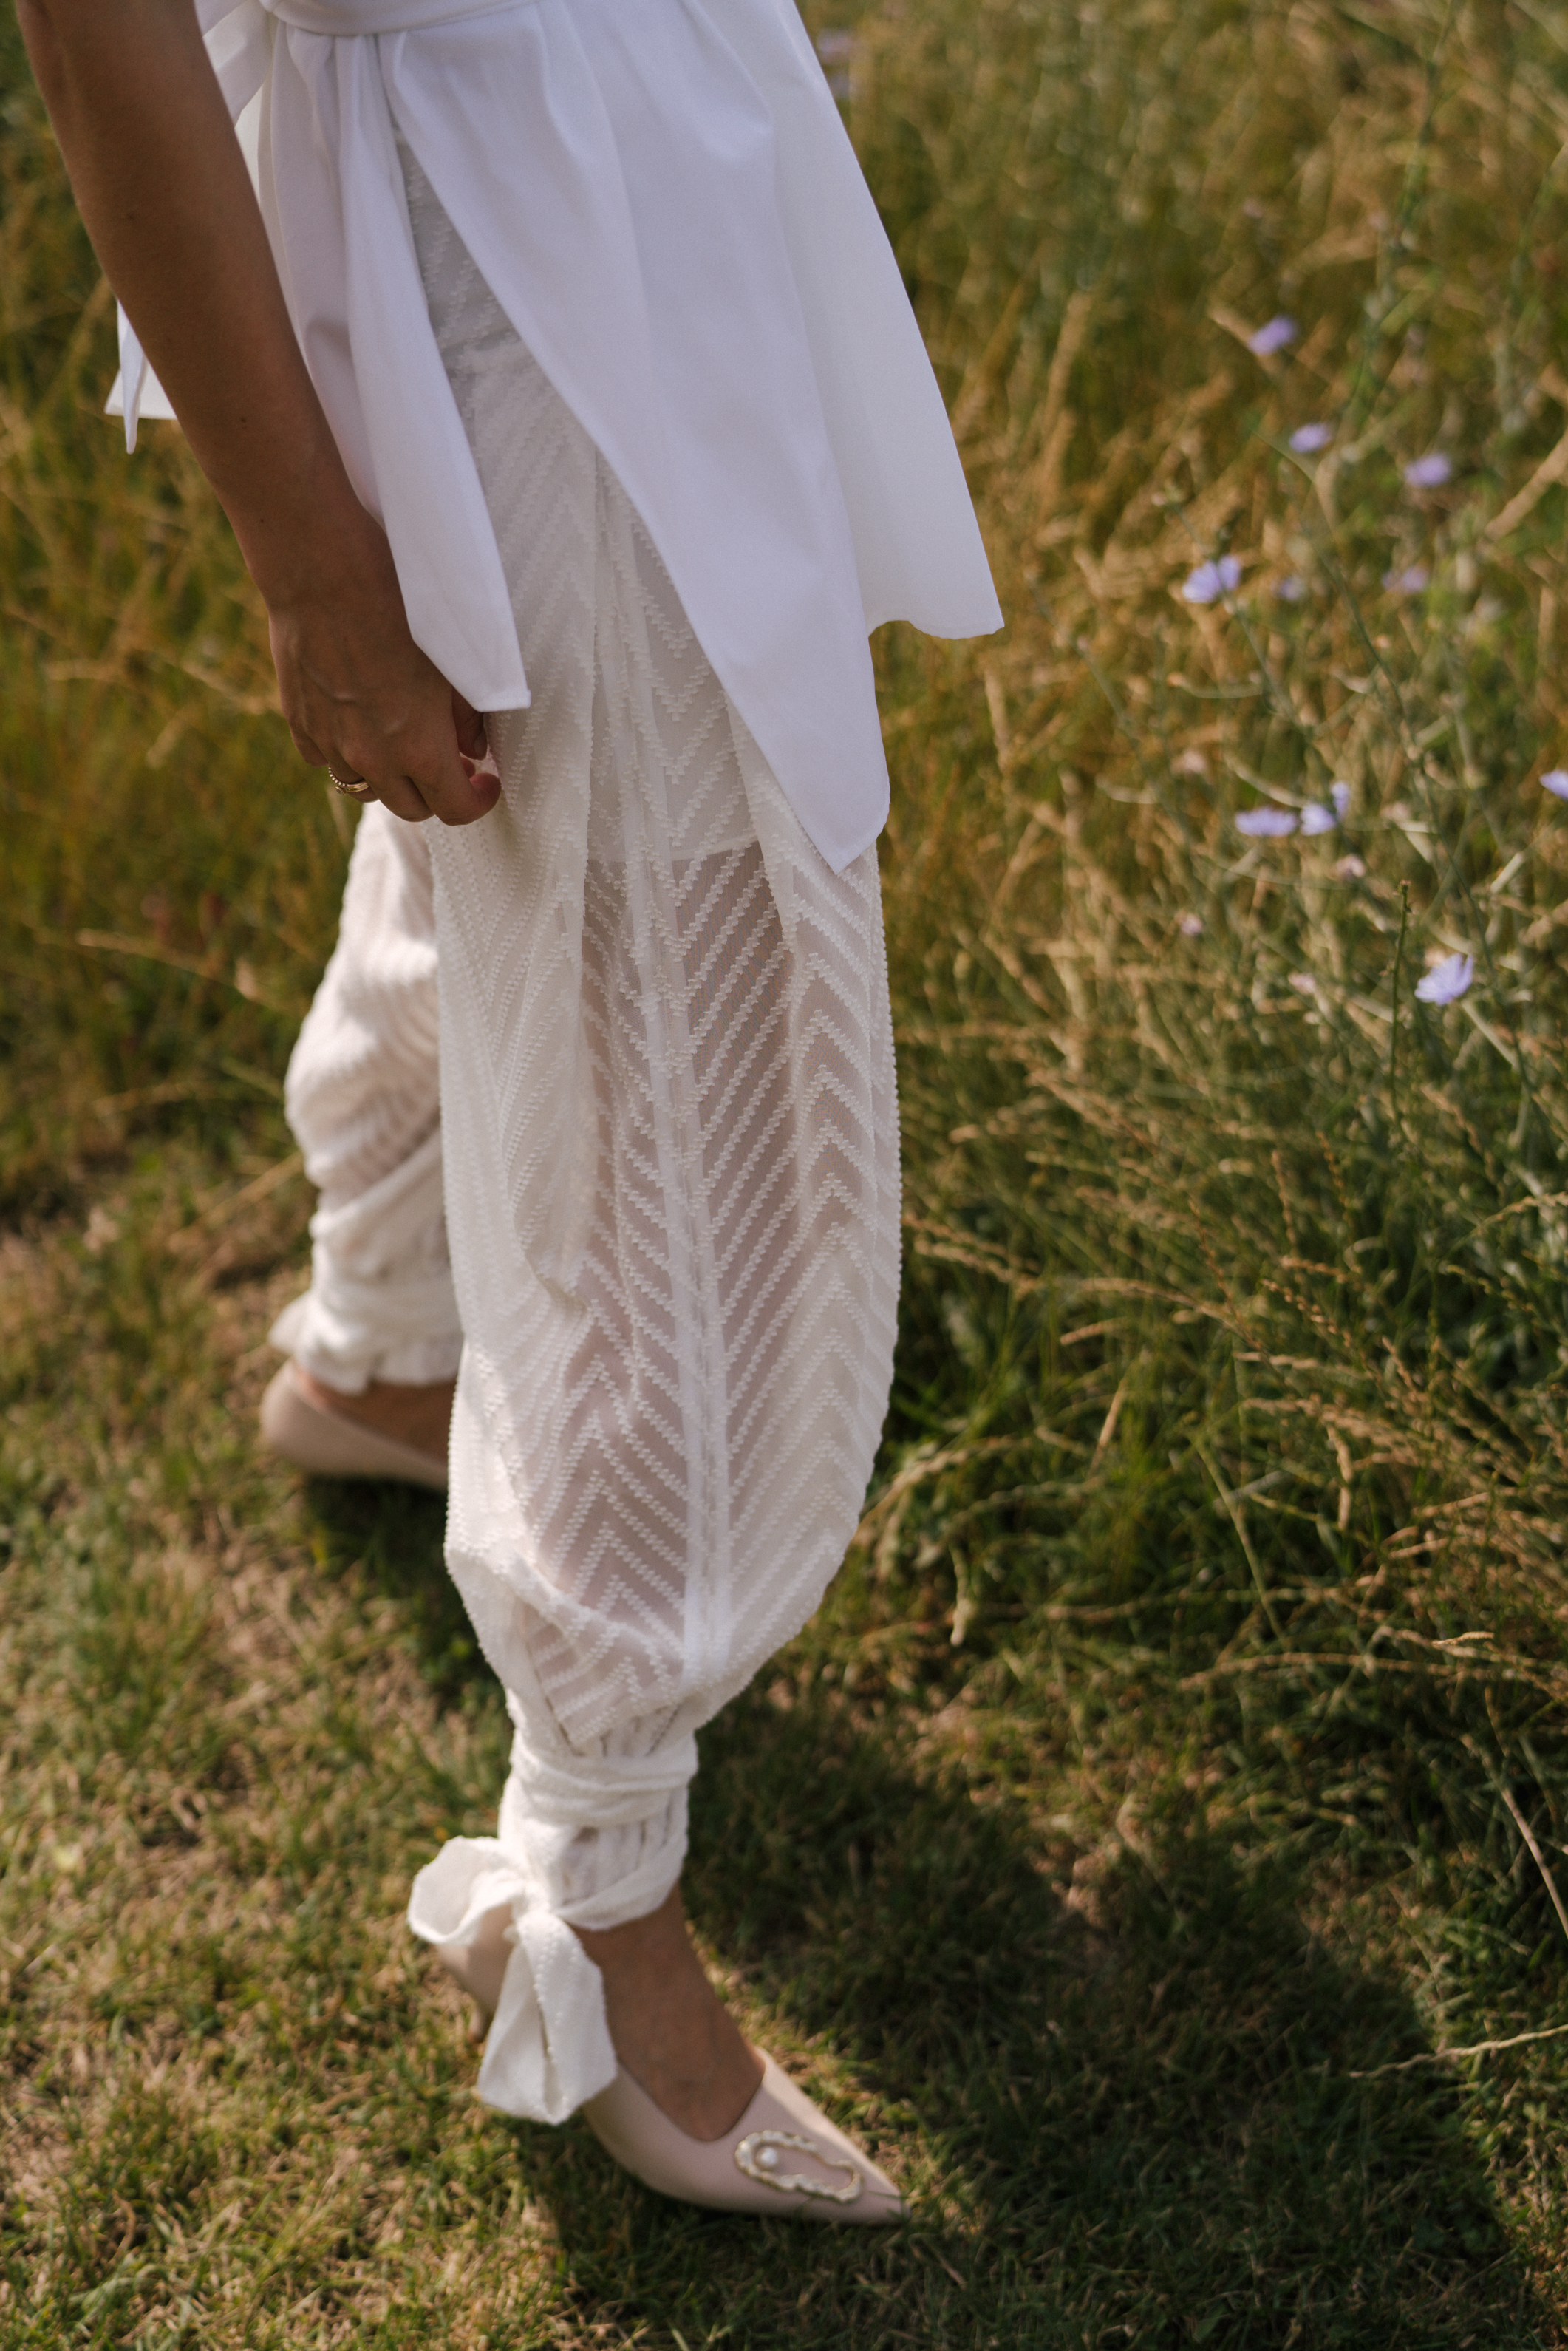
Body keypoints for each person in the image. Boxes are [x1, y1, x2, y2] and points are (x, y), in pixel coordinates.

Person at [21, 0, 999, 2221]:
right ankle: (598, 1892)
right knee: (670, 1018)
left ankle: (377, 1345)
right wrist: (309, 567)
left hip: (638, 134)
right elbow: (103, 25)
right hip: (507, 218)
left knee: (524, 853)